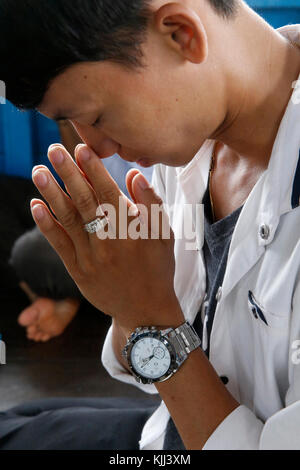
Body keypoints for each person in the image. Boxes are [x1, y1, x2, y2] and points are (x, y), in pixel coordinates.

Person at [0, 0, 300, 451]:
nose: (97, 148)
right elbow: (145, 363)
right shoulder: (190, 137)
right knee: (18, 420)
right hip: (170, 426)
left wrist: (148, 317)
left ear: (181, 34)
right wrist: (128, 299)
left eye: (97, 116)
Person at [10, 120, 153, 342]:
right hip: (102, 212)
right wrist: (67, 121)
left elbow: (157, 222)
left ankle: (79, 293)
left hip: (141, 230)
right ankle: (70, 291)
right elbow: (86, 180)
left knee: (29, 253)